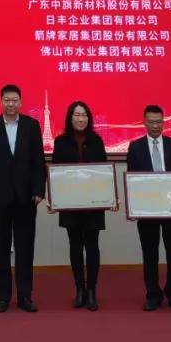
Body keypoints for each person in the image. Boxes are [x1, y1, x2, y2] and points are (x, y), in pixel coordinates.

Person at [0, 83, 46, 313]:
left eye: (14, 100)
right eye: (7, 100)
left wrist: (39, 189)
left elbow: (38, 160)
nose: (10, 104)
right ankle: (3, 296)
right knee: (0, 248)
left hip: (26, 197)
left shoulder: (31, 125)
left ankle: (25, 296)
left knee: (25, 248)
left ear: (20, 102)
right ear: (1, 102)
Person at [126, 105, 171, 312]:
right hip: (147, 210)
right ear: (144, 123)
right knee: (150, 253)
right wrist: (133, 207)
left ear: (163, 122)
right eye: (151, 122)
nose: (155, 126)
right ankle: (153, 294)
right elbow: (132, 180)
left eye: (158, 122)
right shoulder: (135, 147)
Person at [51, 101, 107, 311]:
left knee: (92, 245)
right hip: (70, 202)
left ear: (89, 118)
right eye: (77, 115)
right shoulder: (60, 142)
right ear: (70, 118)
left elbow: (104, 173)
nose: (81, 119)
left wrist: (108, 197)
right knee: (75, 245)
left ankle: (92, 290)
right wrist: (55, 198)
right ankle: (79, 289)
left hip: (93, 202)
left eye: (84, 115)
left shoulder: (97, 141)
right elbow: (56, 172)